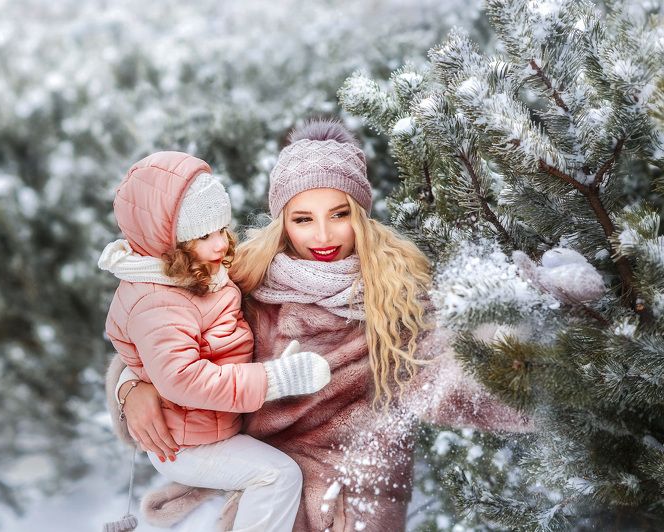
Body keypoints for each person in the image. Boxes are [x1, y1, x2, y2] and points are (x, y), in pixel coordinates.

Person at [107, 123, 530, 531]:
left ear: (360, 214)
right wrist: (130, 388)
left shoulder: (396, 299)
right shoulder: (245, 279)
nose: (323, 235)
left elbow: (456, 380)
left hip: (354, 500)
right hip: (254, 488)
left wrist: (533, 355)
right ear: (283, 222)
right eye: (304, 219)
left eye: (339, 214)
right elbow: (161, 337)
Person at [99, 151, 333, 532]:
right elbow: (183, 377)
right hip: (188, 442)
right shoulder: (159, 299)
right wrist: (275, 380)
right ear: (168, 245)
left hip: (211, 427)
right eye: (204, 235)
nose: (221, 243)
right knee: (277, 476)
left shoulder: (203, 272)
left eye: (222, 229)